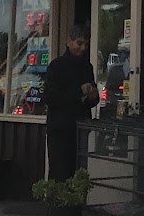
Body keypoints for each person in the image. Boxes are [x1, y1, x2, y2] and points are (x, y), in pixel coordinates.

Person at [42, 25, 100, 180]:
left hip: (81, 128)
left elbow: (92, 101)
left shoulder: (87, 67)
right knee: (60, 173)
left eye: (86, 44)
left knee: (79, 174)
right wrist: (79, 92)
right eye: (79, 43)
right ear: (69, 42)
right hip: (60, 130)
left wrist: (93, 96)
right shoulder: (57, 66)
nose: (83, 48)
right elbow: (50, 97)